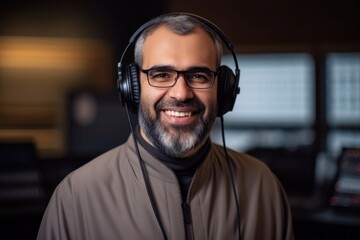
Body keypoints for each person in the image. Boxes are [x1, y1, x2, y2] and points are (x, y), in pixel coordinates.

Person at [37, 13, 294, 240]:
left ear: (224, 89)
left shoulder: (263, 188)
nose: (181, 94)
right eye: (161, 75)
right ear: (132, 88)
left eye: (198, 76)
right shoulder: (75, 198)